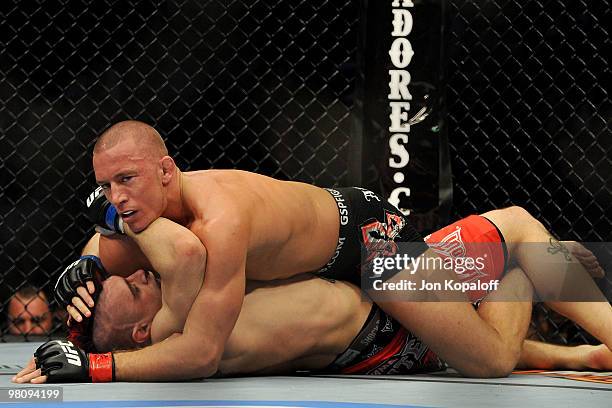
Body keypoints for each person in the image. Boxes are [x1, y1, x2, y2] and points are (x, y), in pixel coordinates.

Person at [27, 120, 612, 380]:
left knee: (488, 354)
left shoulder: (220, 220)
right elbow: (115, 243)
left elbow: (201, 352)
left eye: (126, 181)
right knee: (479, 347)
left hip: (368, 242)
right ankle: (525, 288)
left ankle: (520, 252)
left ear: (166, 169)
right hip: (340, 265)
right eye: (104, 188)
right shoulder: (150, 212)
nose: (118, 199)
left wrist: (94, 365)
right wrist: (87, 265)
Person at [13, 210, 612, 382]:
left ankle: (570, 355)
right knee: (522, 233)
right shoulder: (191, 337)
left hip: (380, 345)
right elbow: (171, 251)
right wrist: (94, 364)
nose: (144, 276)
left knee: (498, 303)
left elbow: (142, 246)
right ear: (143, 330)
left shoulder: (183, 310)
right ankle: (527, 292)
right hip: (392, 300)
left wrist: (85, 263)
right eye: (135, 291)